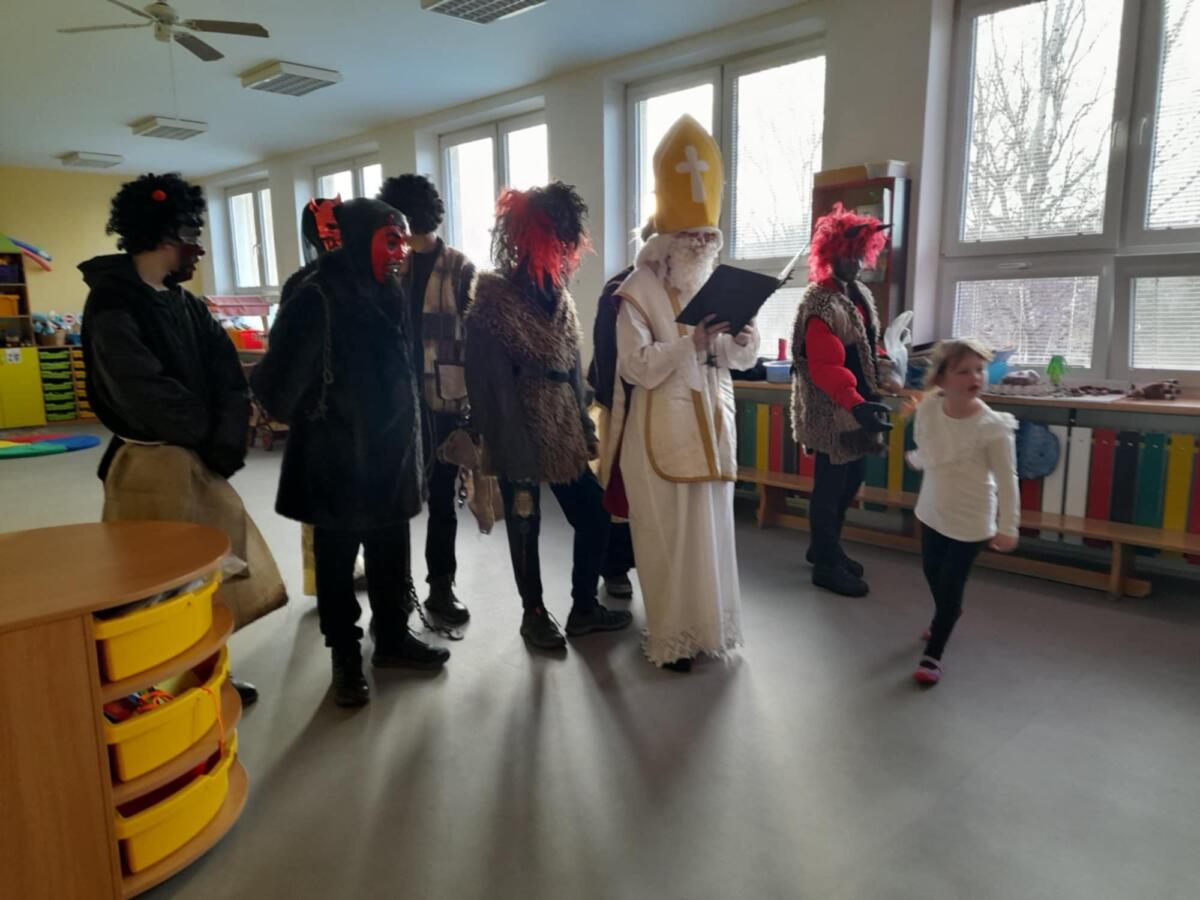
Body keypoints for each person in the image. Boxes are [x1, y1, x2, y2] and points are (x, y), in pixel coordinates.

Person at [81, 172, 287, 706]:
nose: (198, 247)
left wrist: (226, 436)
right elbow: (142, 391)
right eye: (190, 235)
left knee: (205, 582)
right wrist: (209, 435)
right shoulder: (113, 304)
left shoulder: (186, 304)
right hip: (151, 469)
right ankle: (150, 690)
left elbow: (226, 374)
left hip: (200, 462)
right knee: (152, 586)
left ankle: (207, 674)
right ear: (161, 235)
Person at [252, 198, 449, 708]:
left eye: (402, 241)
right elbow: (275, 387)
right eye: (391, 241)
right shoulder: (316, 293)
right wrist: (326, 415)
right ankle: (344, 656)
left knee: (390, 556)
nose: (401, 252)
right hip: (335, 463)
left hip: (390, 458)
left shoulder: (387, 288)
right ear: (362, 240)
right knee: (337, 564)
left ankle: (393, 640)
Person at [601, 114, 759, 671]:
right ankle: (672, 639)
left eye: (709, 238)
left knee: (712, 538)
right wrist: (691, 344)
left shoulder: (713, 287)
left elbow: (734, 361)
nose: (702, 245)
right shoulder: (636, 291)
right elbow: (635, 367)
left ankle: (708, 631)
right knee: (668, 541)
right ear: (668, 241)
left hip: (711, 432)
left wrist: (742, 340)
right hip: (659, 437)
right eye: (693, 238)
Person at [465, 181, 633, 651]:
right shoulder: (493, 301)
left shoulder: (559, 298)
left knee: (594, 516)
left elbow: (572, 371)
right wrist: (507, 442)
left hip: (562, 426)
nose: (562, 248)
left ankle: (584, 608)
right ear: (526, 236)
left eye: (566, 238)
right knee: (525, 525)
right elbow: (486, 384)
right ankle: (533, 614)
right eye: (553, 235)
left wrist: (582, 424)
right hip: (517, 426)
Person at [376, 174, 475, 626]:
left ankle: (441, 586)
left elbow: (475, 340)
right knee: (394, 501)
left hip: (444, 402)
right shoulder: (388, 266)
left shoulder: (459, 268)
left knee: (441, 499)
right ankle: (396, 591)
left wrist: (474, 410)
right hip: (395, 402)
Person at [790, 202, 898, 598]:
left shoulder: (859, 294)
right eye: (845, 255)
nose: (853, 263)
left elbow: (869, 345)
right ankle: (825, 564)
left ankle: (826, 547)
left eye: (858, 255)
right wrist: (855, 404)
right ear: (829, 255)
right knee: (830, 486)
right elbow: (825, 366)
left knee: (852, 480)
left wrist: (887, 372)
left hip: (858, 405)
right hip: (832, 411)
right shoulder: (819, 302)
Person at [906, 339, 1019, 685]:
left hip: (971, 519)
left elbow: (1007, 479)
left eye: (980, 370)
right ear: (942, 378)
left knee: (951, 584)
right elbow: (929, 446)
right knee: (932, 573)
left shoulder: (993, 427)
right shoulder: (928, 408)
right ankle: (948, 611)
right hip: (932, 510)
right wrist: (919, 459)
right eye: (964, 371)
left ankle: (934, 653)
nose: (975, 377)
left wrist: (1008, 526)